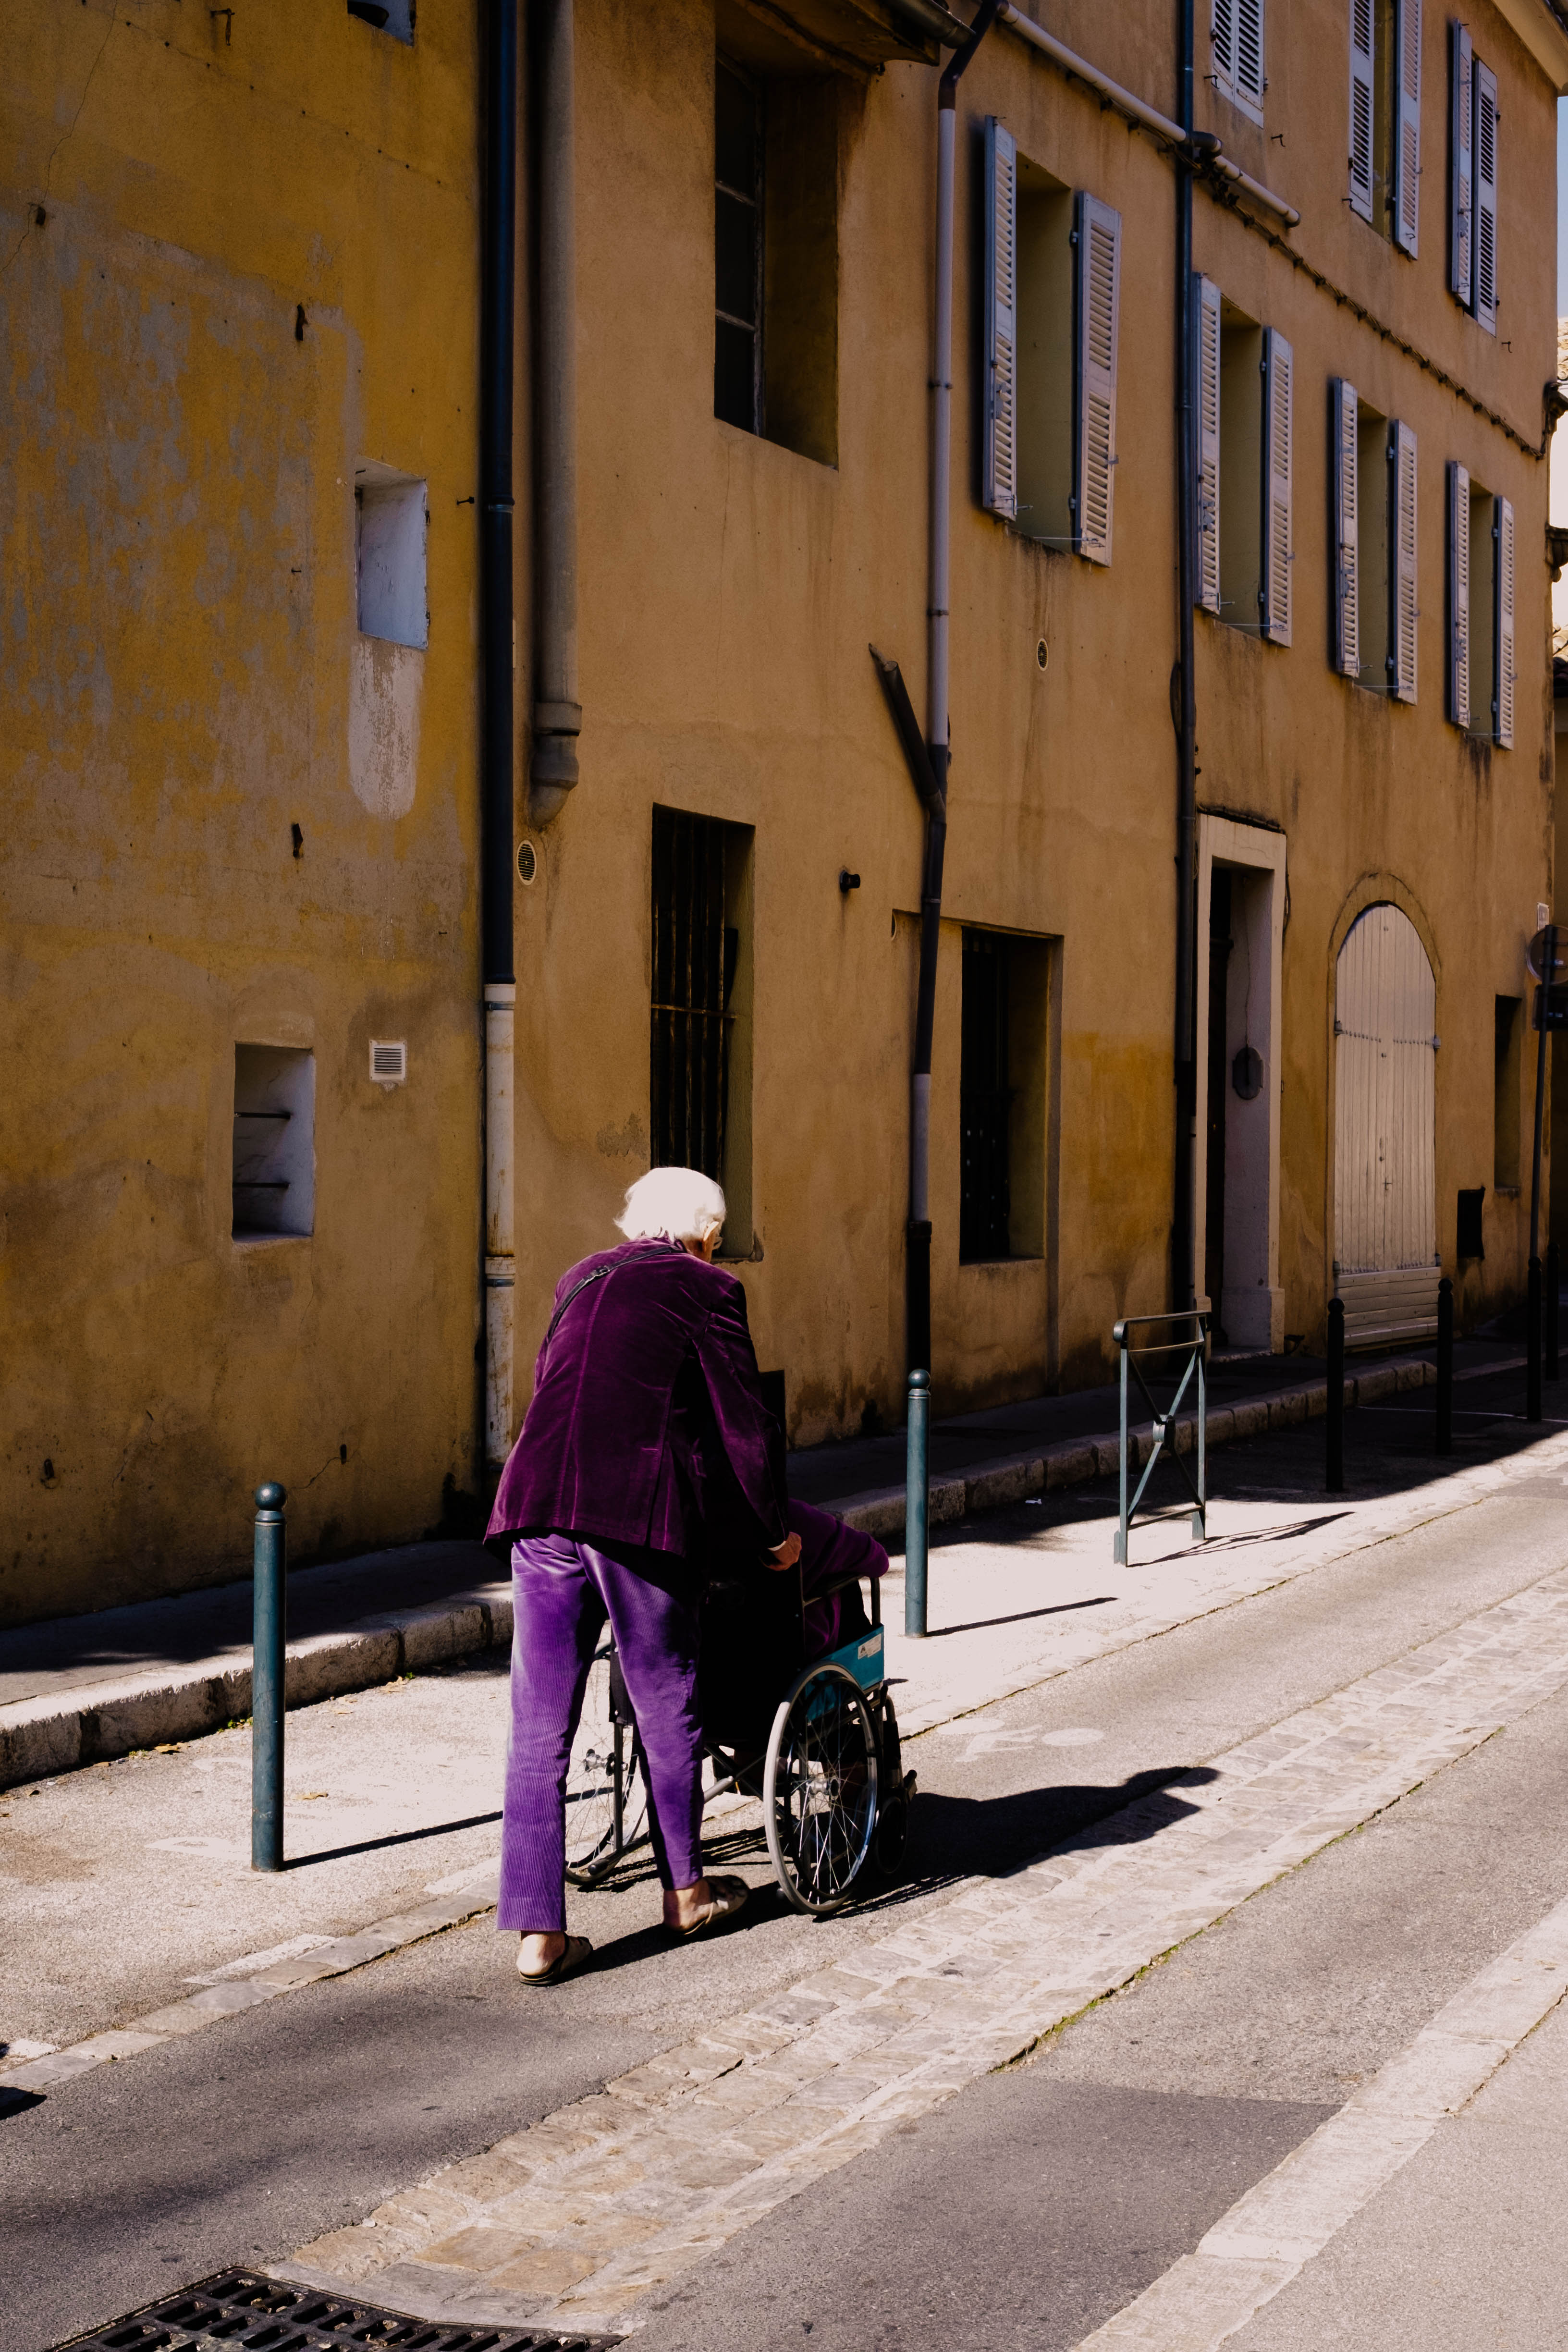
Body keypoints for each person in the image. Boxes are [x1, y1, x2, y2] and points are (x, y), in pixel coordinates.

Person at [488, 1165, 801, 1985]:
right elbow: (742, 1425)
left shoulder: (580, 1275)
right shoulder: (708, 1288)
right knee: (667, 1698)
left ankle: (539, 1936)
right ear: (706, 1235)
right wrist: (770, 1534)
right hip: (632, 1510)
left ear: (634, 1224)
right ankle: (687, 1893)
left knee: (538, 1722)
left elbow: (551, 1390)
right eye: (715, 1240)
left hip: (538, 1502)